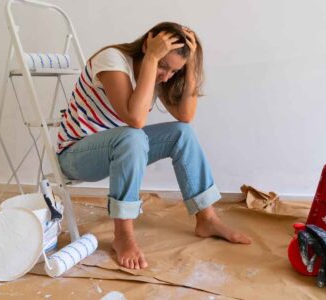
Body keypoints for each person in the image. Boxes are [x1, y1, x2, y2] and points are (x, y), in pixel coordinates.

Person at [57, 22, 251, 270]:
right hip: (75, 155)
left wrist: (189, 66)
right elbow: (135, 119)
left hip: (118, 148)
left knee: (181, 133)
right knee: (133, 135)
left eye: (173, 71)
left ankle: (207, 218)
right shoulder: (112, 60)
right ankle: (123, 235)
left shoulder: (160, 76)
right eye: (163, 66)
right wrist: (151, 60)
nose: (166, 76)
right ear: (148, 45)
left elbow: (186, 116)